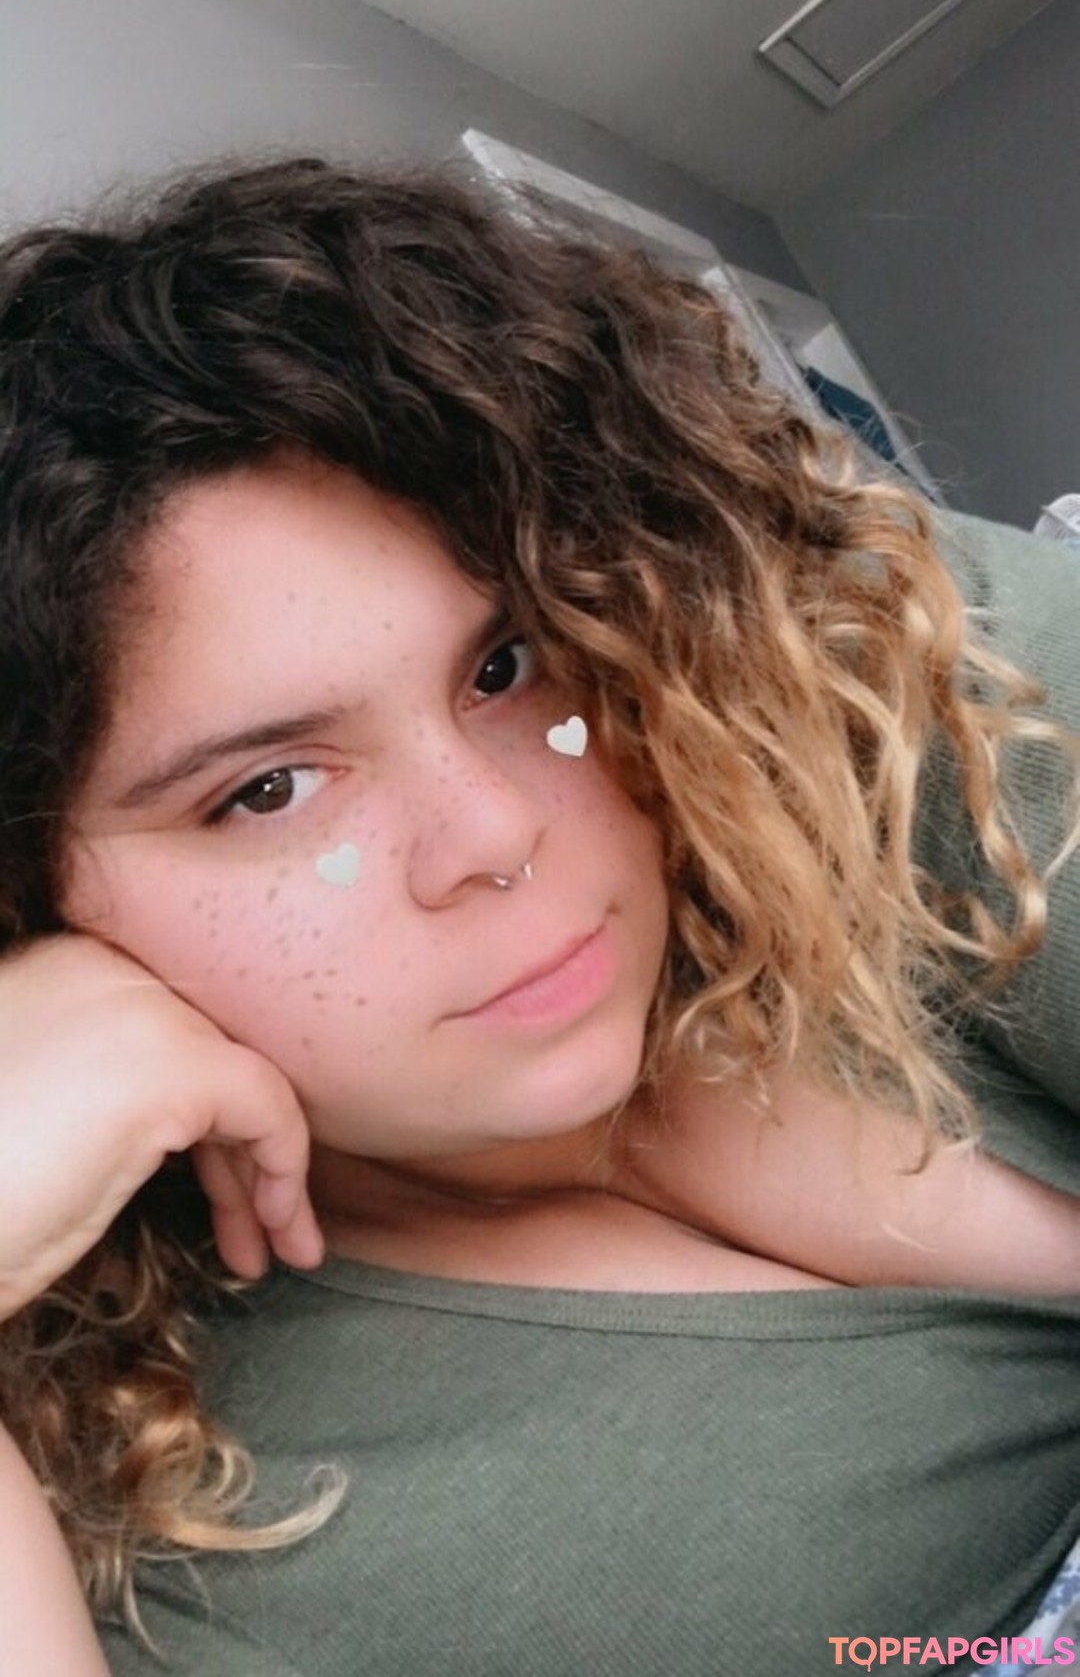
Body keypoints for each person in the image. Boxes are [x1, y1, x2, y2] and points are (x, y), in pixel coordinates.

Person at [0, 155, 1078, 1677]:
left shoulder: (864, 686)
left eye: (503, 669)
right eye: (267, 791)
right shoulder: (182, 1532)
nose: (495, 832)